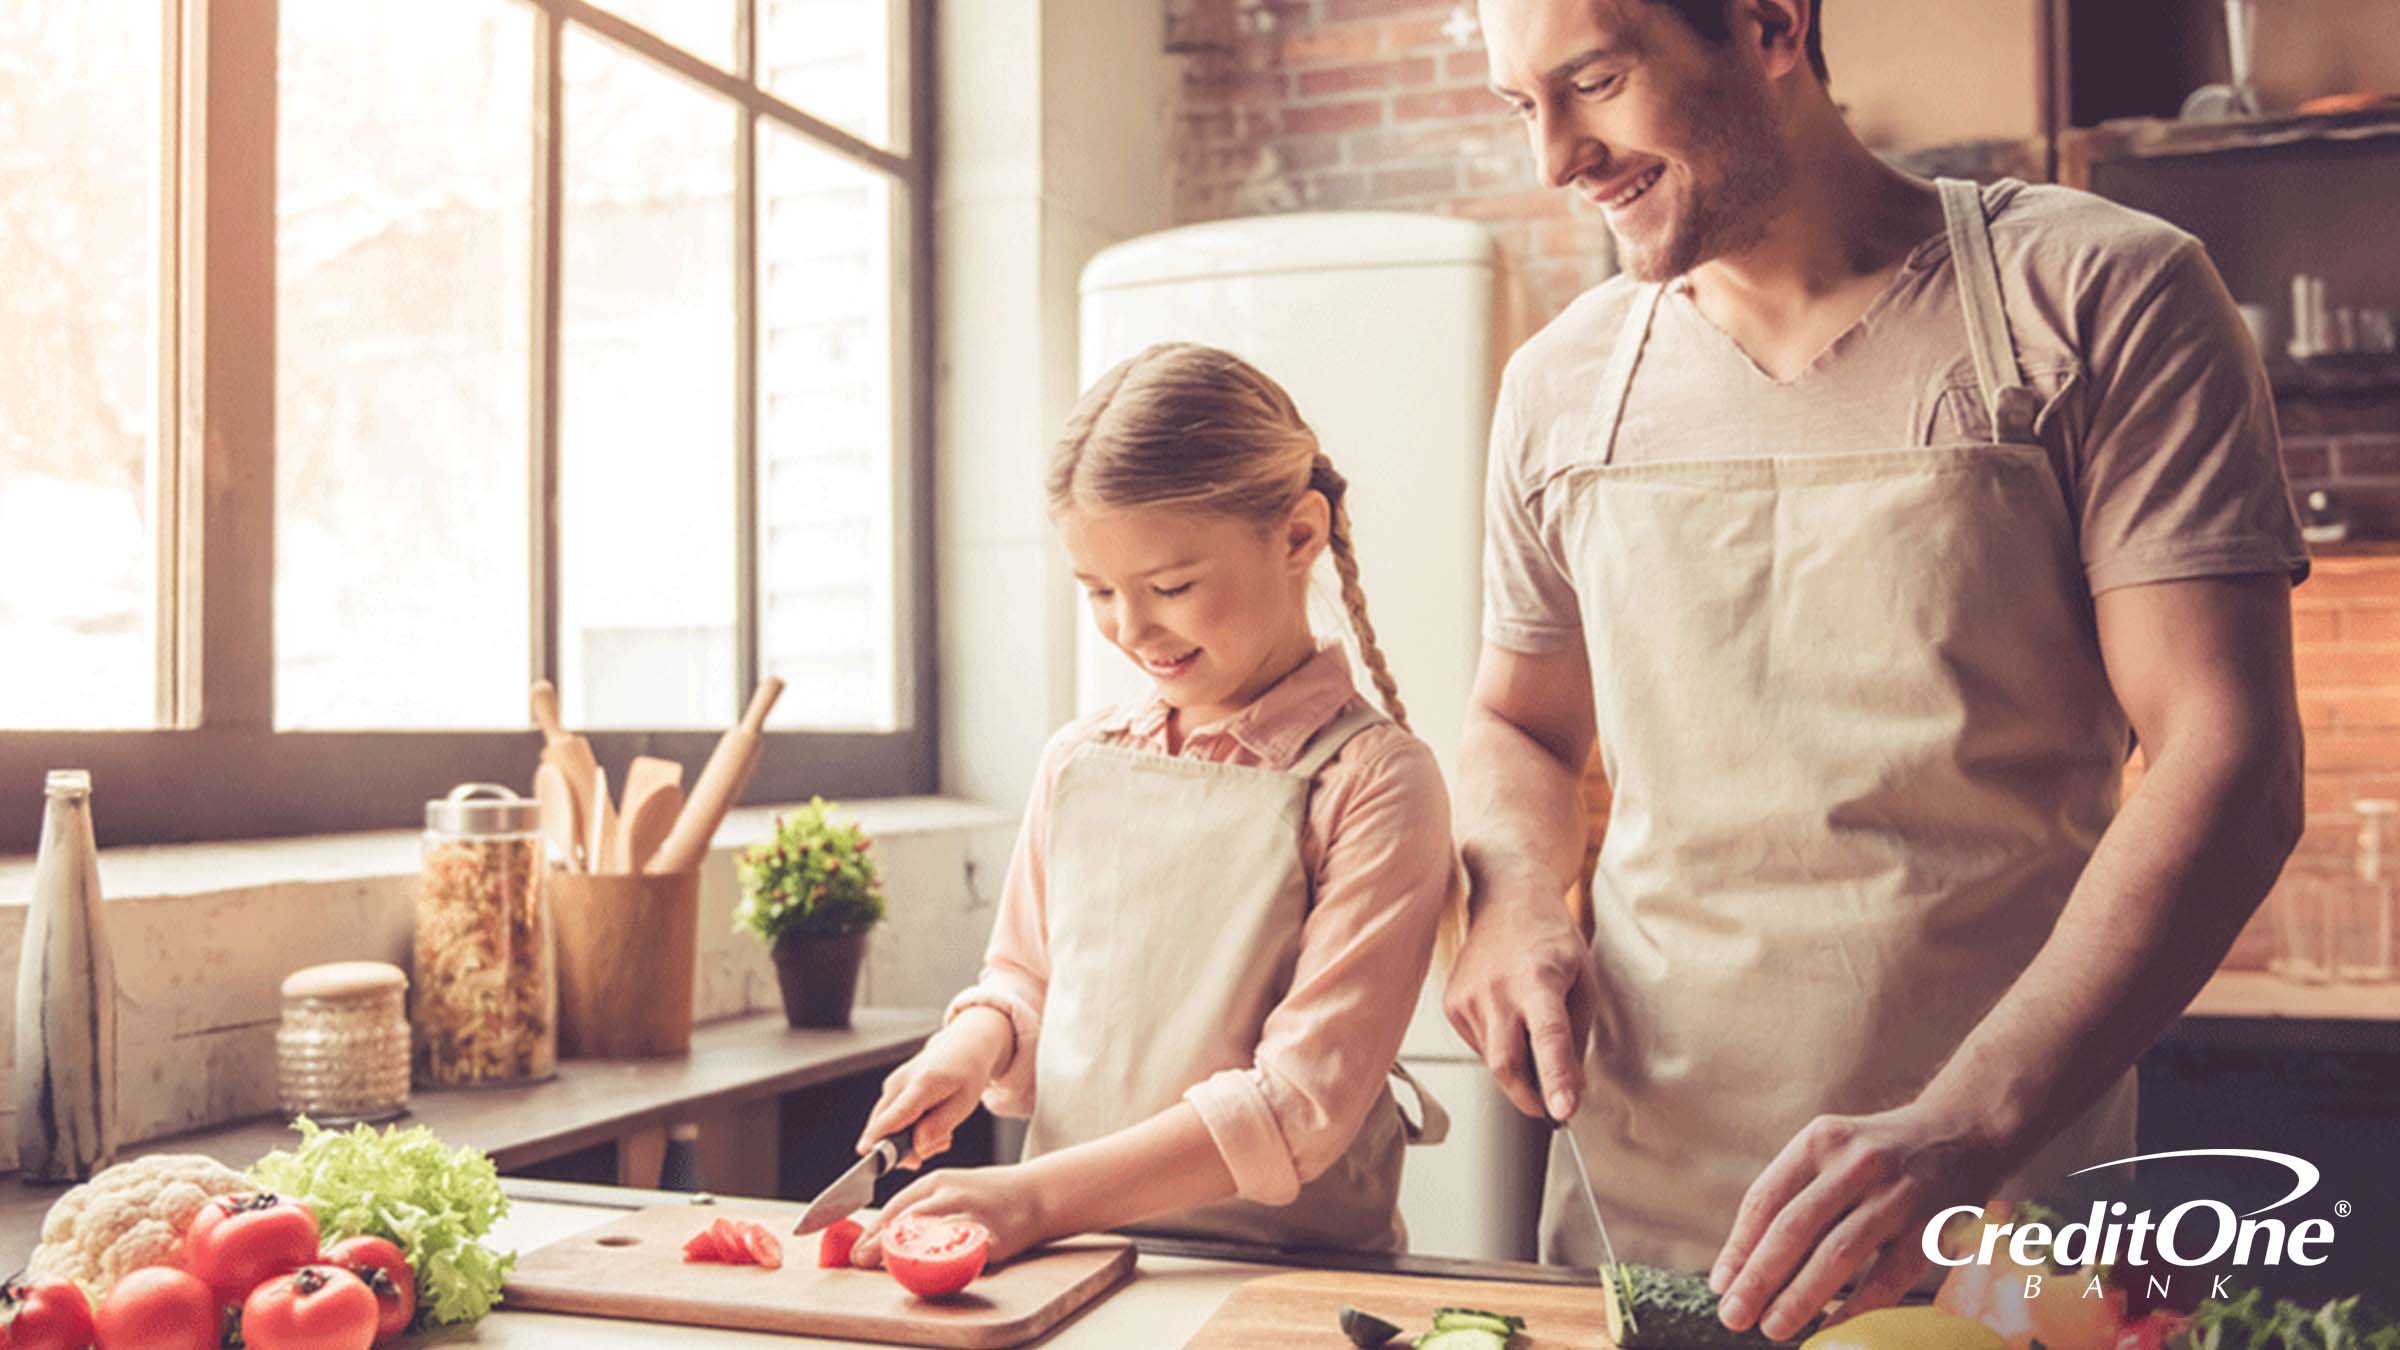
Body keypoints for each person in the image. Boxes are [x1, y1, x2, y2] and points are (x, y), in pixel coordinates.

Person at [1445, 0, 2308, 1336]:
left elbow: (2227, 757)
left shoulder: (2099, 292)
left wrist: (1960, 1125)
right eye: (1521, 107)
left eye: (1597, 82)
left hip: (2005, 1206)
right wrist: (1507, 889)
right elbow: (1518, 727)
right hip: (1650, 1207)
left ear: (1771, 27)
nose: (1556, 156)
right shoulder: (1560, 386)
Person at [847, 342, 1457, 1265]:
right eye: (1097, 591)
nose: (1131, 631)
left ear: (1298, 535)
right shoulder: (1078, 760)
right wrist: (967, 1051)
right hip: (1066, 1259)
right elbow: (1025, 981)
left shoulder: (1376, 782)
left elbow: (1302, 1101)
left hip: (1272, 1278)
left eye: (1169, 587)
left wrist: (1033, 1199)